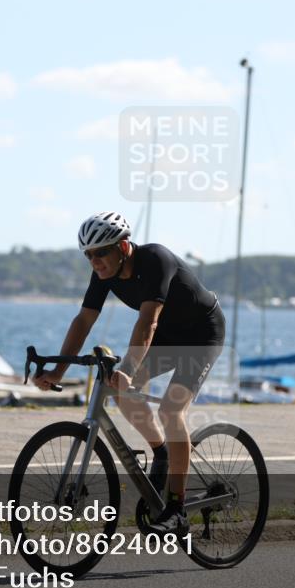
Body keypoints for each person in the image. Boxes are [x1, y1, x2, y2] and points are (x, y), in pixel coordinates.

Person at [34, 211, 225, 536]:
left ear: (123, 247)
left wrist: (129, 368)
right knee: (118, 390)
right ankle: (161, 453)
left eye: (101, 252)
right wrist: (58, 371)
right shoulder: (103, 273)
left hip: (201, 334)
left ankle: (177, 509)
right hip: (168, 336)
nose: (94, 261)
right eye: (88, 255)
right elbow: (83, 320)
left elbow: (148, 321)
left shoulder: (156, 260)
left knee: (170, 411)